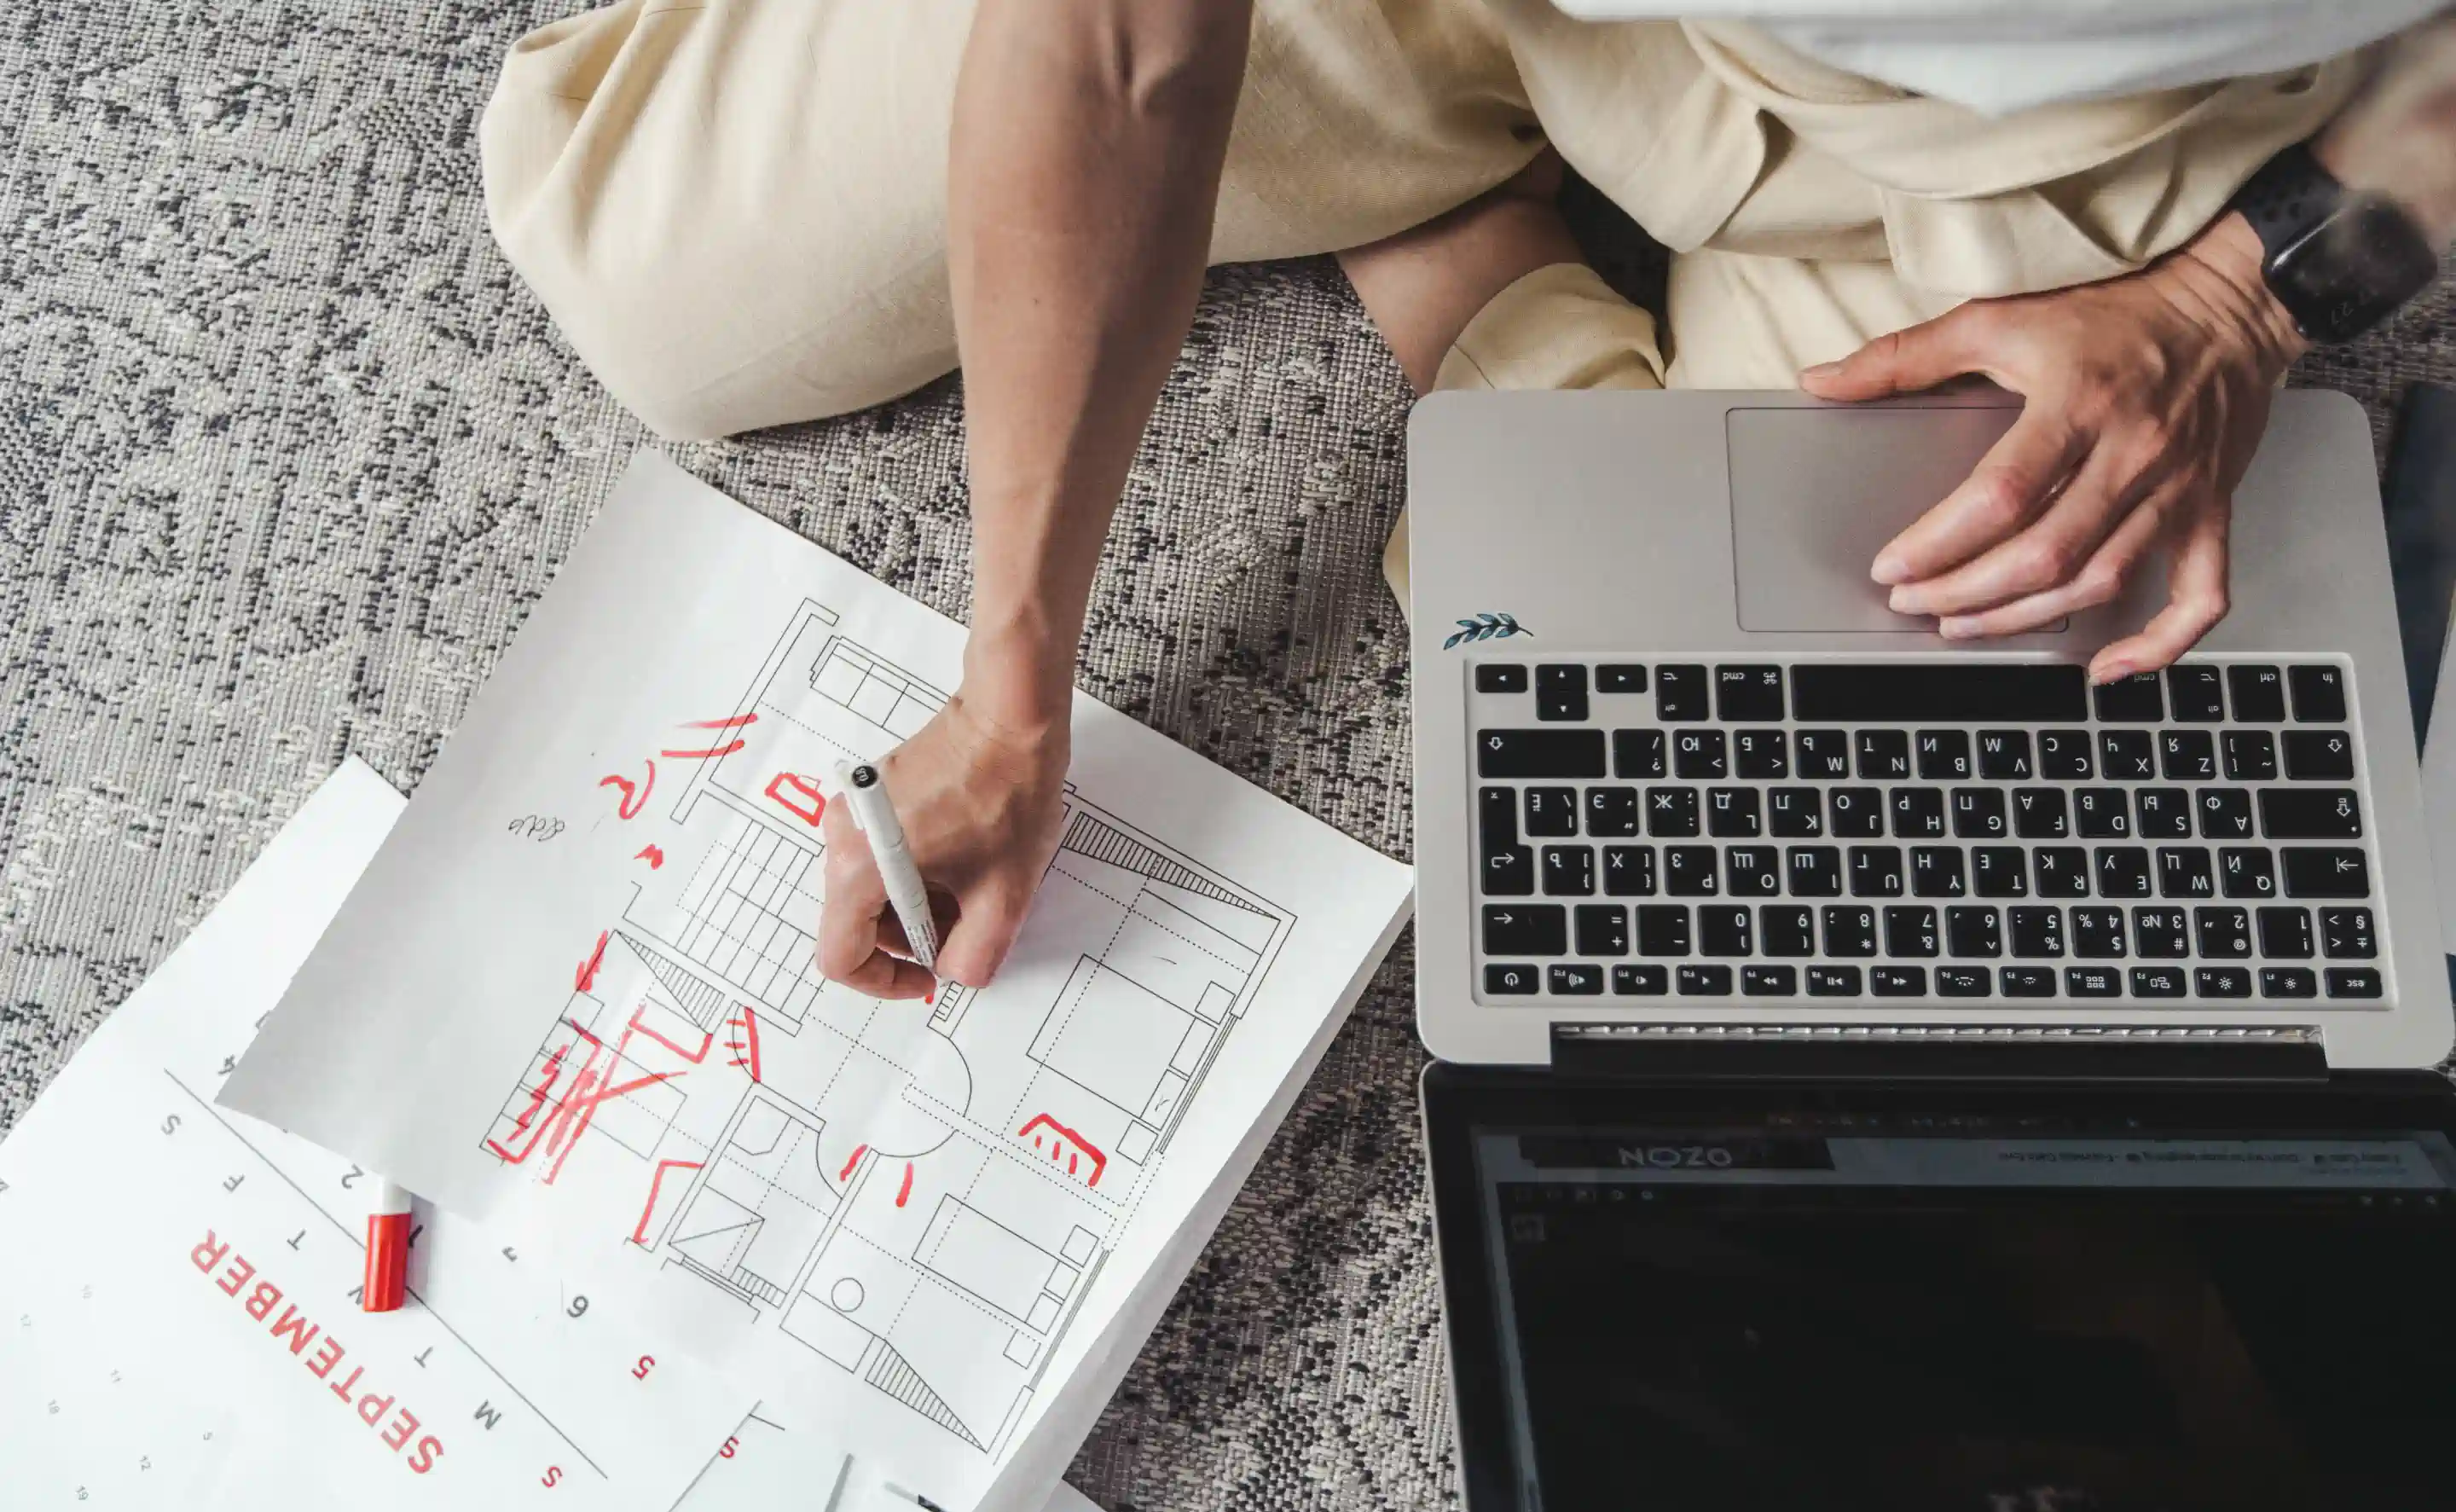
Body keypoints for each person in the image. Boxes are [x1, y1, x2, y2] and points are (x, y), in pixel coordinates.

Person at [478, 1, 2456, 1001]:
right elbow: (1110, 46)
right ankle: (1432, 186)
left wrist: (2249, 291)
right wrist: (1014, 675)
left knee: (1746, 838)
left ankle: (1463, 250)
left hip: (2030, 154)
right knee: (662, 291)